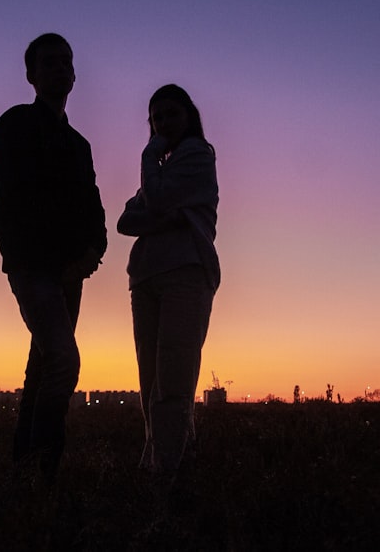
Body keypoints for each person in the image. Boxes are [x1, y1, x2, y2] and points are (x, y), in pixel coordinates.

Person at [0, 33, 107, 481]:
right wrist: (29, 259)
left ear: (74, 73)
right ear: (31, 75)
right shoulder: (16, 124)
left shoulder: (80, 145)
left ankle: (24, 470)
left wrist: (93, 253)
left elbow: (93, 206)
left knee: (42, 366)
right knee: (63, 359)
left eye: (67, 62)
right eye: (50, 63)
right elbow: (13, 201)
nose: (61, 69)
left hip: (69, 273)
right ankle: (44, 467)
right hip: (34, 268)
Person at [117, 84, 219, 484]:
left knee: (174, 375)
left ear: (189, 116)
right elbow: (127, 220)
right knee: (151, 379)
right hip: (145, 278)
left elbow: (152, 203)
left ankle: (168, 472)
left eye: (171, 114)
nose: (163, 123)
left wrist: (148, 160)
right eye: (156, 117)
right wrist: (166, 215)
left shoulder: (196, 156)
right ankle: (162, 462)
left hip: (185, 273)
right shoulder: (161, 169)